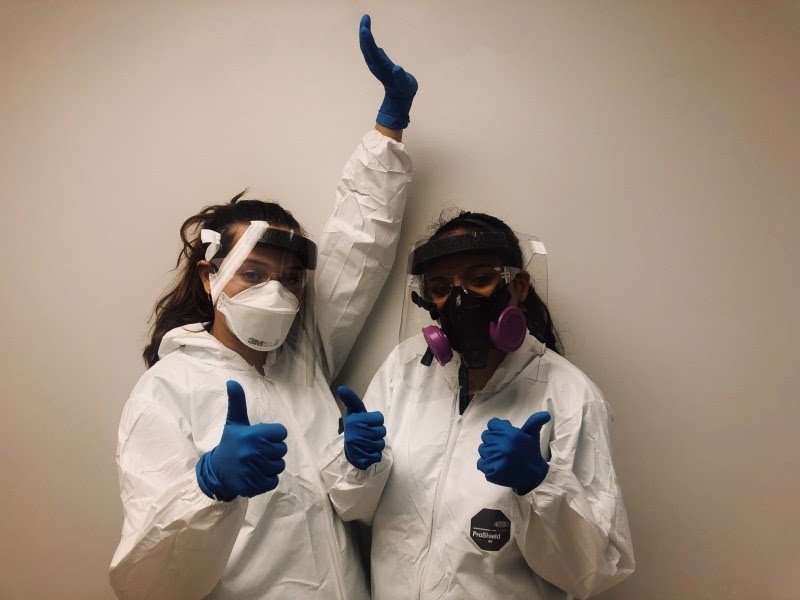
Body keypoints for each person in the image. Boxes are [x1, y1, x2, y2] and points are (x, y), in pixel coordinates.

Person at [109, 15, 417, 599]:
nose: (275, 294)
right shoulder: (166, 391)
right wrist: (209, 486)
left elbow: (358, 251)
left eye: (289, 279)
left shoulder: (303, 357)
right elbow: (146, 581)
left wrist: (388, 128)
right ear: (209, 275)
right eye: (252, 274)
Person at [321, 211, 635, 599]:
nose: (459, 299)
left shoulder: (570, 395)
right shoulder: (404, 370)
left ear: (518, 286)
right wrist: (357, 464)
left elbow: (592, 570)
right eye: (441, 287)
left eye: (480, 279)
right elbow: (355, 510)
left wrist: (538, 485)